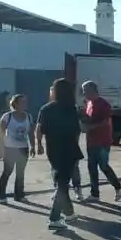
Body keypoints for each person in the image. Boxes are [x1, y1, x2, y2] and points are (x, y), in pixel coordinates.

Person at [36, 78, 84, 230]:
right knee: (63, 184)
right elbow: (77, 131)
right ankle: (54, 218)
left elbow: (39, 128)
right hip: (69, 148)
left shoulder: (46, 109)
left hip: (53, 149)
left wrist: (38, 144)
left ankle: (69, 214)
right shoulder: (72, 108)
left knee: (61, 181)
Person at [79, 81, 121, 202]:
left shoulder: (103, 104)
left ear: (92, 90)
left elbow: (105, 122)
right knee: (91, 167)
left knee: (103, 166)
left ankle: (118, 187)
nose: (83, 93)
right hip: (91, 140)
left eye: (85, 91)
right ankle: (95, 194)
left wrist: (90, 127)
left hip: (102, 141)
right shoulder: (89, 103)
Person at [0, 94, 36, 203]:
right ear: (15, 104)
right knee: (7, 172)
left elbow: (31, 133)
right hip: (10, 148)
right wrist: (0, 148)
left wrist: (33, 146)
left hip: (23, 148)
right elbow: (1, 134)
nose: (25, 104)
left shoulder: (28, 116)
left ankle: (19, 195)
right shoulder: (7, 117)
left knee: (20, 173)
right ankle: (1, 196)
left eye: (25, 102)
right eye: (22, 102)